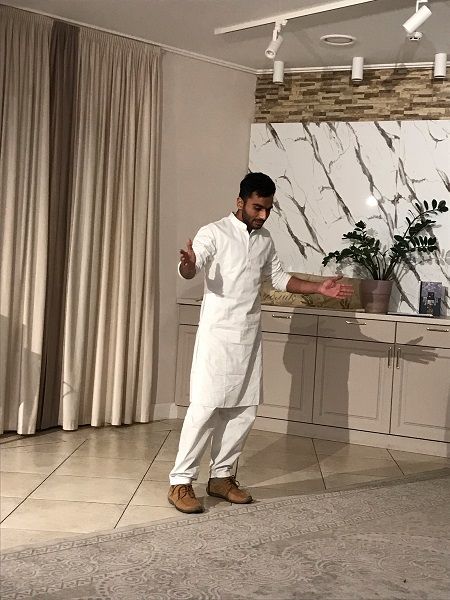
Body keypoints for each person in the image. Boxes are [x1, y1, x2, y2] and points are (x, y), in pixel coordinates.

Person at [168, 172, 353, 514]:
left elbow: (278, 277)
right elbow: (195, 265)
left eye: (268, 209)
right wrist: (189, 265)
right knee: (205, 408)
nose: (263, 215)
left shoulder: (265, 240)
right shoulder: (214, 233)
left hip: (249, 336)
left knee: (244, 410)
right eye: (257, 207)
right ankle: (180, 482)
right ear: (240, 202)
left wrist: (318, 287)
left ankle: (221, 477)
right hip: (217, 337)